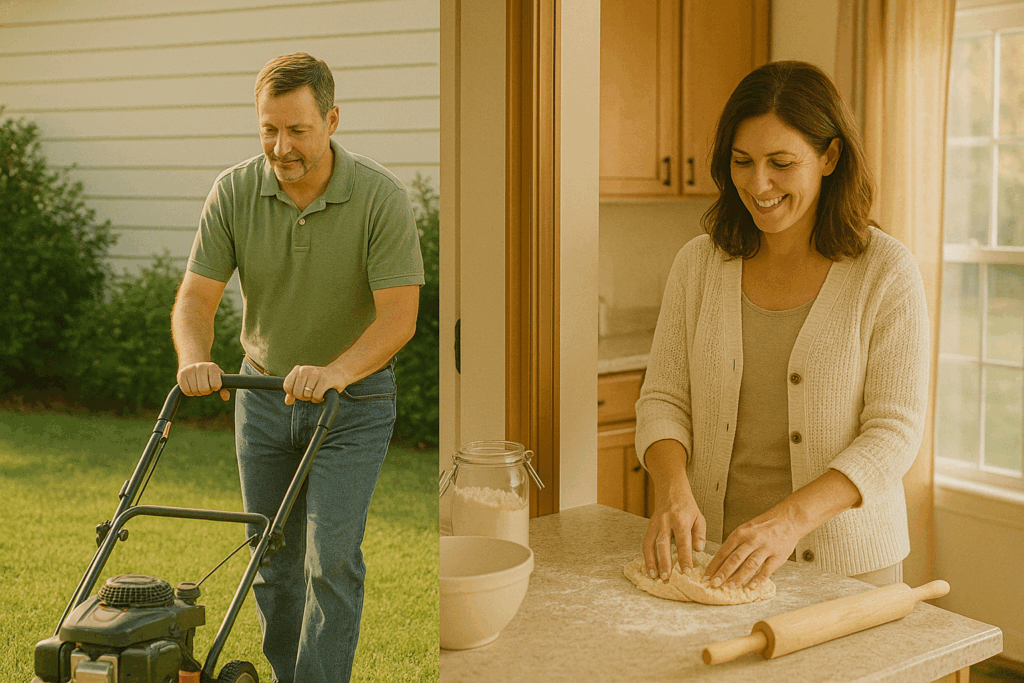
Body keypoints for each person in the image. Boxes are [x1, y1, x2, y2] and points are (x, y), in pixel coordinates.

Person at [171, 53, 424, 682]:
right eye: (268, 130)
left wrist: (338, 370)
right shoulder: (234, 191)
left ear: (332, 120)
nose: (280, 147)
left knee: (330, 560)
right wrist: (195, 358)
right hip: (262, 398)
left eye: (297, 131)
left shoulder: (379, 198)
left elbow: (399, 320)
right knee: (271, 560)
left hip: (354, 405)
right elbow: (196, 298)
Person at [636, 61, 929, 593]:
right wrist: (673, 490)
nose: (759, 184)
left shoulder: (885, 271)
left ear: (830, 157)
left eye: (781, 163)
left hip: (849, 571)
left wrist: (789, 522)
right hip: (716, 562)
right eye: (742, 162)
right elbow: (662, 399)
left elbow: (894, 433)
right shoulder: (699, 265)